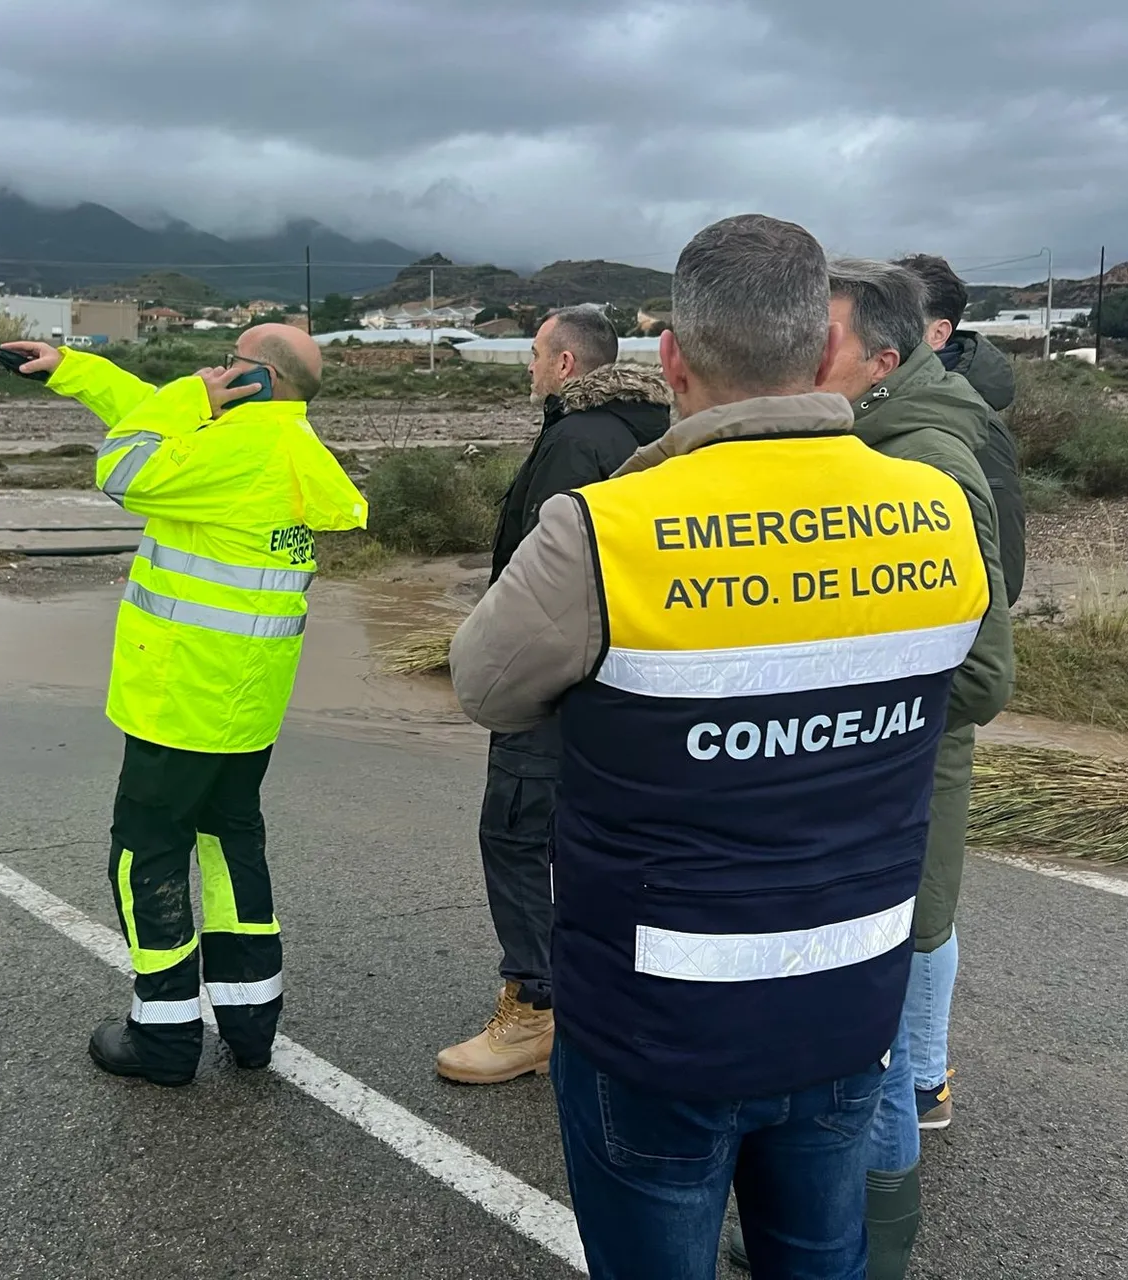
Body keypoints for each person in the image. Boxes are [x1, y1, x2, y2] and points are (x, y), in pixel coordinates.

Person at [451, 214, 1011, 1280]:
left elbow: (486, 686)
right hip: (850, 990)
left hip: (656, 1018)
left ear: (671, 358)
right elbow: (968, 681)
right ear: (820, 352)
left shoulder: (604, 526)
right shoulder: (935, 510)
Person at [1, 326, 366, 1085]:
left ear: (256, 380)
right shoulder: (278, 444)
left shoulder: (234, 453)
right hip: (245, 701)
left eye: (229, 360)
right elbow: (158, 417)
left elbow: (125, 465)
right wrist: (74, 370)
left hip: (185, 696)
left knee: (146, 849)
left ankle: (163, 1034)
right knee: (231, 844)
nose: (213, 369)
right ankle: (250, 1021)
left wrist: (184, 396)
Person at [816, 257, 1017, 1277]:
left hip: (899, 777)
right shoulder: (869, 436)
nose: (807, 353)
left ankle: (873, 1245)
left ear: (885, 358)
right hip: (876, 777)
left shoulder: (925, 460)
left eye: (827, 337)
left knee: (875, 1047)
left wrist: (843, 689)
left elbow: (982, 674)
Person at [438, 305, 671, 1085]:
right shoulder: (660, 432)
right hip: (637, 685)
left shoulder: (577, 439)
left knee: (514, 833)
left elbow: (552, 585)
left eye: (536, 356)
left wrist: (503, 676)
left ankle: (534, 1008)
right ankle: (608, 1003)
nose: (529, 369)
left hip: (561, 684)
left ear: (568, 366)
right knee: (601, 844)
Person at [895, 253, 1025, 608]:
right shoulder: (884, 400)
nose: (881, 330)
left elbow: (1003, 575)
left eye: (899, 319)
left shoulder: (978, 426)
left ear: (938, 333)